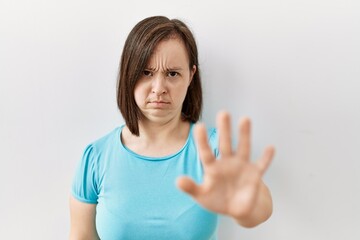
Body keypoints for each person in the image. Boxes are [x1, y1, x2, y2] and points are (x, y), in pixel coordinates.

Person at [69, 16, 275, 240]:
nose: (159, 88)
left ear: (190, 76)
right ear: (129, 73)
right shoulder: (96, 158)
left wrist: (246, 204)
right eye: (146, 72)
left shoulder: (215, 150)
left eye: (172, 74)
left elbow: (259, 211)